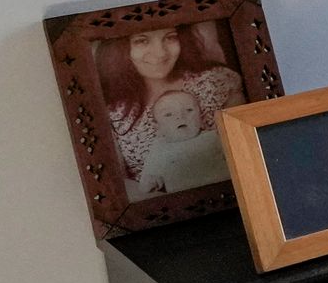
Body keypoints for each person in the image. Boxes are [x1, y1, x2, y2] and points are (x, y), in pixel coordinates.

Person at [102, 23, 240, 198]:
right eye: (142, 41)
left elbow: (245, 152)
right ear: (119, 48)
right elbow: (119, 186)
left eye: (170, 37)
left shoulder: (217, 81)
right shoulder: (112, 111)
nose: (160, 53)